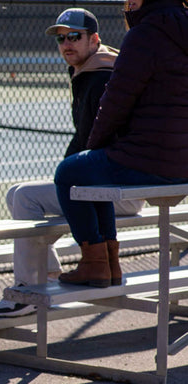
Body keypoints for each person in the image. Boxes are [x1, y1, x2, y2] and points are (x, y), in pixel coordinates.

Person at [0, 7, 146, 317]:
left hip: (119, 191)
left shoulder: (100, 78)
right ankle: (45, 276)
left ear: (94, 39)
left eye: (74, 36)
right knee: (17, 192)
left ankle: (25, 292)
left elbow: (90, 142)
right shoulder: (94, 69)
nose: (66, 44)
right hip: (116, 183)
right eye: (61, 38)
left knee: (24, 196)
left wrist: (65, 174)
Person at [54, 0, 188, 288]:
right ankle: (108, 263)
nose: (128, 4)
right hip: (183, 163)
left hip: (150, 159)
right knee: (90, 175)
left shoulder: (145, 35)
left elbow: (116, 101)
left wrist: (95, 146)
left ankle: (95, 263)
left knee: (69, 173)